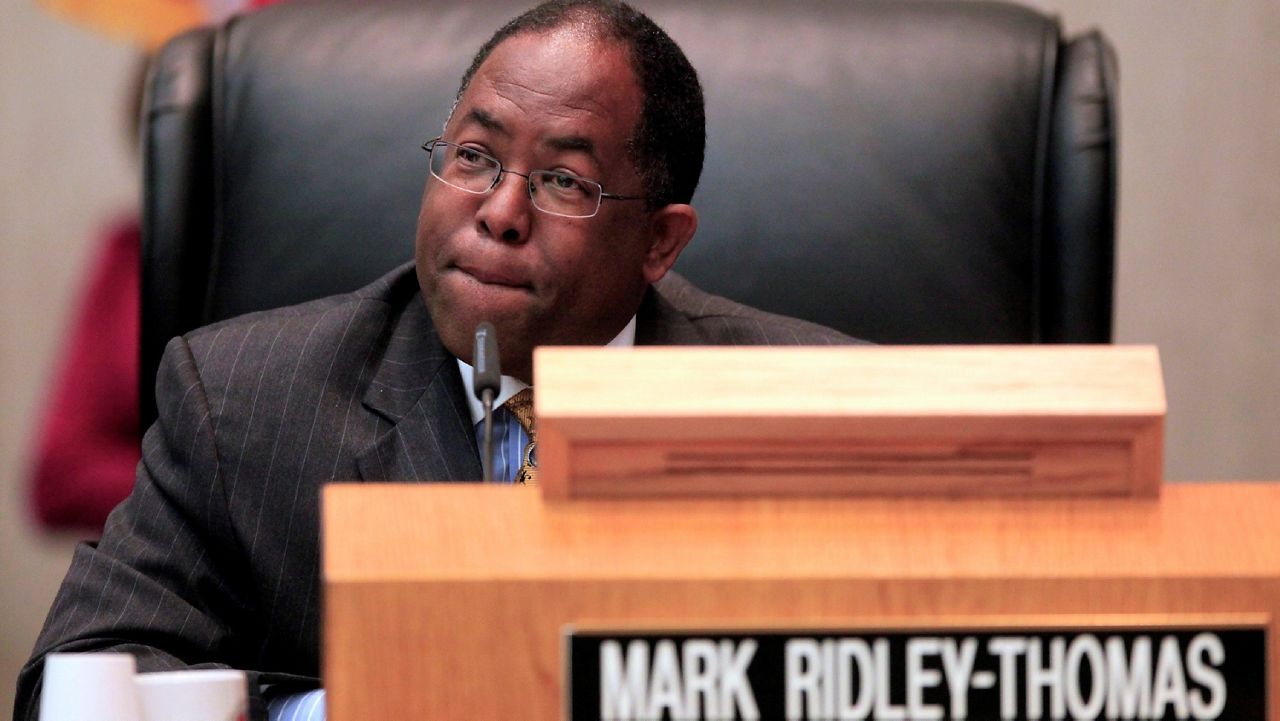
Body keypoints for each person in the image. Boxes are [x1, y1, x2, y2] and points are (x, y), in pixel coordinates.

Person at [14, 1, 854, 719]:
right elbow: (79, 676)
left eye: (564, 181)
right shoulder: (241, 401)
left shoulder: (818, 412)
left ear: (660, 242)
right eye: (475, 157)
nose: (498, 212)